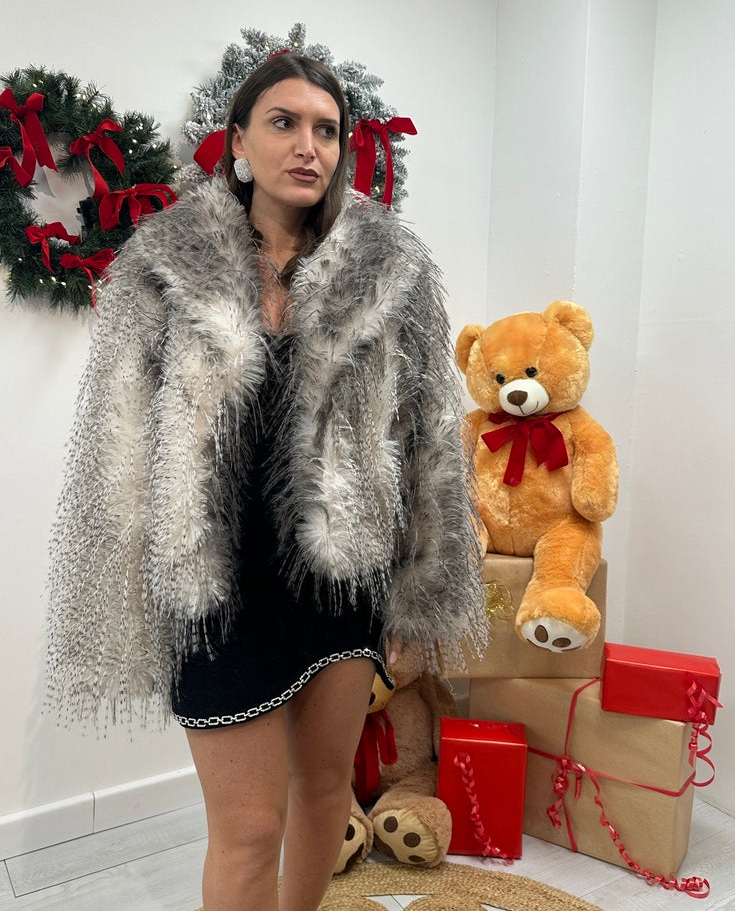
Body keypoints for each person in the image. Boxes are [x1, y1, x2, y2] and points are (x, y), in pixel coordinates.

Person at [46, 52, 486, 911]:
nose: (307, 145)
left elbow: (430, 441)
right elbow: (118, 445)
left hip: (342, 581)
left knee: (324, 791)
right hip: (215, 590)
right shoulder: (164, 266)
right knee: (249, 831)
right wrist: (133, 590)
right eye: (284, 123)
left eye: (327, 129)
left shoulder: (387, 271)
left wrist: (420, 589)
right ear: (239, 141)